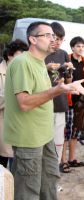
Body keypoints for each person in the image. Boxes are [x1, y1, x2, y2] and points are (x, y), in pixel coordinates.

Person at [3, 21, 84, 200]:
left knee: (49, 182)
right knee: (28, 191)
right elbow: (24, 103)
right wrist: (58, 90)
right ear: (33, 39)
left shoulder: (41, 63)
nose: (54, 39)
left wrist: (65, 85)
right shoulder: (22, 62)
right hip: (28, 140)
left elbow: (46, 92)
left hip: (45, 136)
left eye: (55, 36)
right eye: (48, 35)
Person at [44, 22, 73, 174]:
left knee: (58, 144)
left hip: (61, 105)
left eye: (61, 39)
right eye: (55, 38)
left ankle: (53, 179)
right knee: (44, 147)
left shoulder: (63, 54)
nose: (57, 42)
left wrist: (68, 72)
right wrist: (46, 68)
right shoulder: (42, 53)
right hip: (44, 106)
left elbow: (67, 82)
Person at [63, 36, 84, 168]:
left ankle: (72, 159)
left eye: (82, 46)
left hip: (81, 103)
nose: (80, 48)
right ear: (72, 48)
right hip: (69, 101)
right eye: (78, 46)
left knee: (76, 132)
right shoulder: (67, 61)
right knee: (66, 132)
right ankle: (63, 161)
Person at [0, 39, 28, 169]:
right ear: (9, 55)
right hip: (3, 124)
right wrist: (15, 96)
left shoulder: (23, 71)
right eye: (19, 56)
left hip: (20, 125)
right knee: (3, 162)